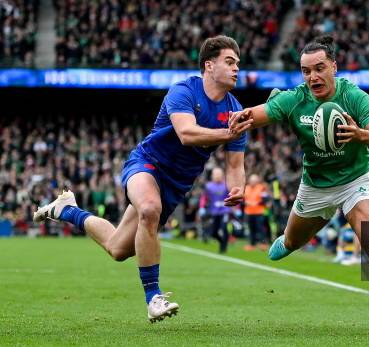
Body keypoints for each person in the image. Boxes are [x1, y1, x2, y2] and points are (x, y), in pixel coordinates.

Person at [33, 35, 252, 322]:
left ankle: (67, 209)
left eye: (238, 63)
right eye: (229, 61)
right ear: (208, 65)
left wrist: (237, 187)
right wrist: (227, 134)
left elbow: (235, 163)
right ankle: (154, 298)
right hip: (147, 164)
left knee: (117, 248)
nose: (237, 68)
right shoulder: (183, 91)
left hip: (176, 184)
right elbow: (187, 134)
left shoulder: (235, 111)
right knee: (149, 209)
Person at [230, 35, 369, 335]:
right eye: (306, 71)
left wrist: (361, 134)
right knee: (293, 242)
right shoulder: (295, 98)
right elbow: (256, 116)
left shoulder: (354, 97)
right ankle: (288, 240)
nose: (313, 76)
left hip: (355, 181)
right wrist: (238, 117)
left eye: (319, 68)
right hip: (315, 186)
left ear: (333, 67)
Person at [204, 167, 231, 253]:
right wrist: (202, 207)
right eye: (216, 174)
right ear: (212, 175)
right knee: (213, 232)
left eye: (219, 174)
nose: (217, 176)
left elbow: (232, 196)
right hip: (214, 211)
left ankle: (224, 247)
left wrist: (236, 208)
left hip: (225, 210)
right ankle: (221, 242)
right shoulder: (208, 186)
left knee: (224, 228)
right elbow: (204, 198)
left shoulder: (226, 185)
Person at [243, 174, 269, 251]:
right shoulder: (246, 188)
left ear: (257, 181)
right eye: (251, 180)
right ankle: (252, 244)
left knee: (260, 228)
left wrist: (257, 203)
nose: (253, 182)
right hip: (249, 212)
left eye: (254, 181)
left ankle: (263, 244)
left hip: (259, 212)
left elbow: (265, 199)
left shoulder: (261, 188)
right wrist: (246, 202)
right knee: (251, 229)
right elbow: (242, 199)